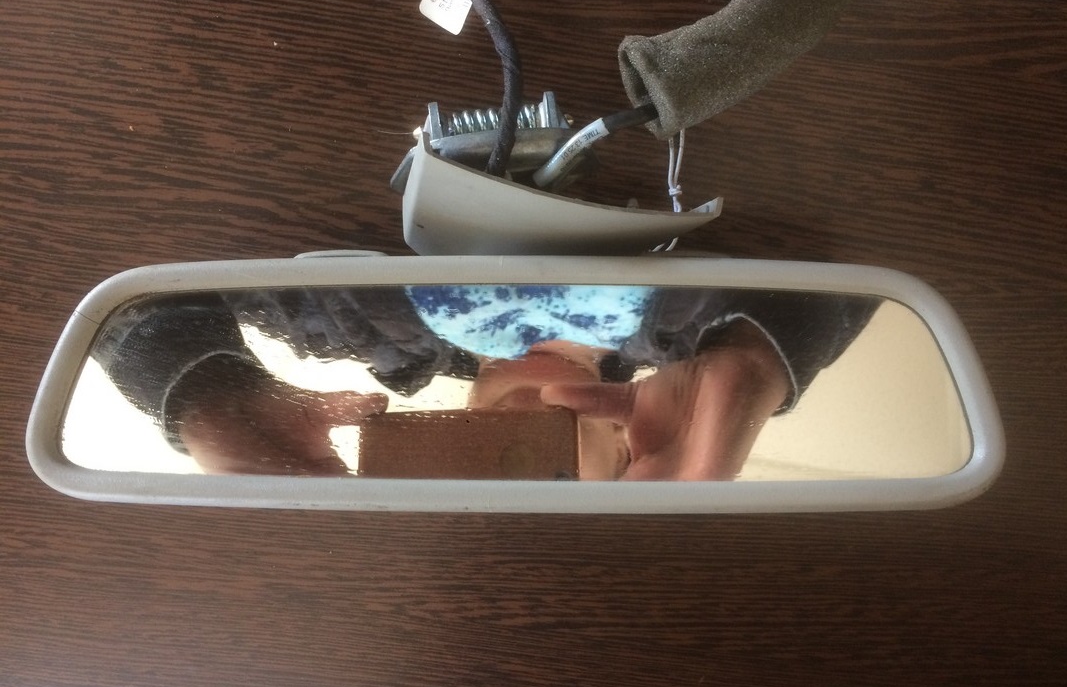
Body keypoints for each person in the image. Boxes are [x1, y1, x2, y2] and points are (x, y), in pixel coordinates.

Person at [91, 283, 878, 480]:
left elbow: (111, 238)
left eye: (478, 479)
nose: (513, 464)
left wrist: (206, 396)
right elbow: (878, 214)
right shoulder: (715, 322)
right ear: (624, 450)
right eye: (556, 484)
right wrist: (760, 353)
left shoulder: (333, 320)